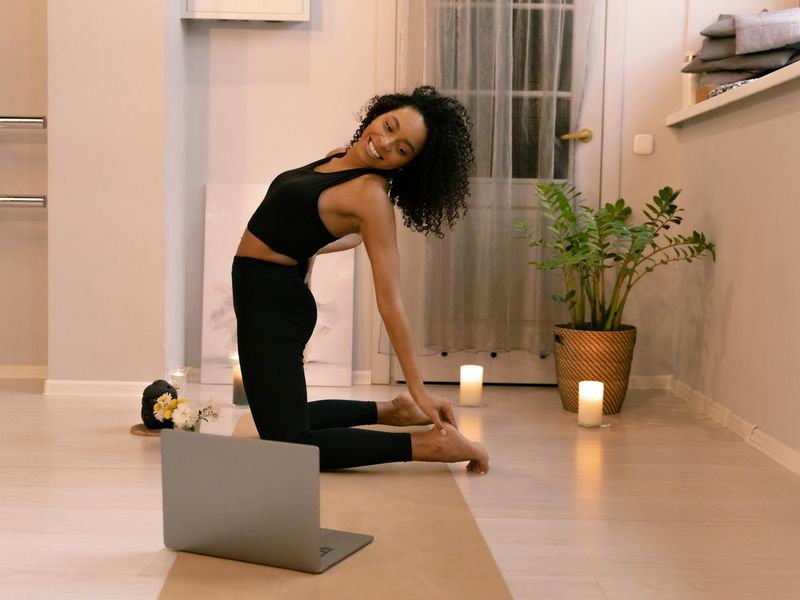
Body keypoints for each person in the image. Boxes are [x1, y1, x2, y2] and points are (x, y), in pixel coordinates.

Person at [232, 86, 489, 473]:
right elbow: (317, 228)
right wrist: (310, 257)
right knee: (278, 425)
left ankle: (431, 445)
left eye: (402, 149)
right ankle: (392, 412)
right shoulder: (338, 158)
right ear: (378, 114)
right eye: (389, 126)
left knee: (289, 446)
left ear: (408, 166)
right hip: (264, 294)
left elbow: (391, 302)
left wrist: (419, 387)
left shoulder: (370, 196)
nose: (384, 143)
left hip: (274, 305)